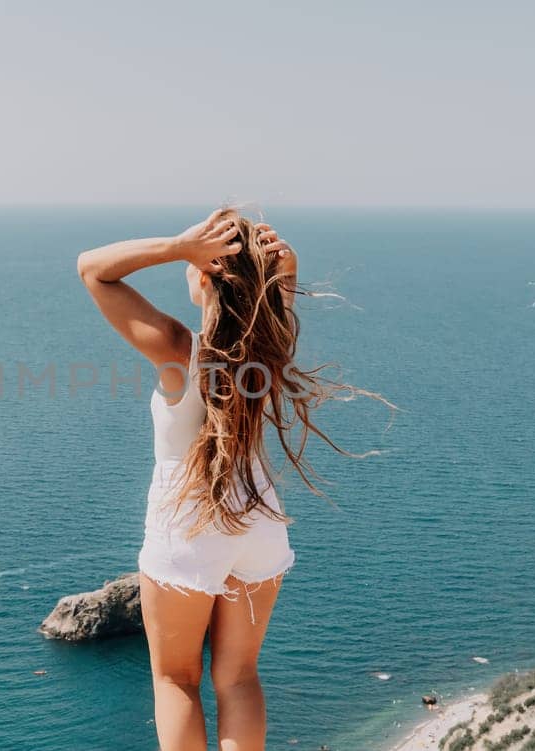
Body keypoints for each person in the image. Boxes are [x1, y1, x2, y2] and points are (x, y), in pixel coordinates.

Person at [77, 208, 365, 750]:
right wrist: (284, 270)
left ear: (205, 273)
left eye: (193, 264)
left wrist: (177, 245)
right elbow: (271, 302)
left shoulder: (176, 348)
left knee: (175, 680)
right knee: (238, 678)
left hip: (188, 522)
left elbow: (92, 268)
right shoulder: (268, 347)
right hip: (258, 520)